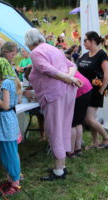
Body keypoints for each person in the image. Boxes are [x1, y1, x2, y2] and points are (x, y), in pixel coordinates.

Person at [25, 28, 81, 181]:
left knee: (54, 130)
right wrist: (69, 78)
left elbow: (47, 69)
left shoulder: (36, 52)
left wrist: (67, 78)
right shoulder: (53, 48)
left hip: (54, 94)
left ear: (29, 42)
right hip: (67, 92)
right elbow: (72, 65)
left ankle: (58, 171)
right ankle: (61, 165)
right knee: (63, 127)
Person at [77, 31, 108, 149]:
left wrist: (101, 90)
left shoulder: (101, 54)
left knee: (88, 118)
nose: (83, 43)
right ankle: (95, 141)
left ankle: (107, 139)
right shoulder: (86, 55)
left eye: (85, 40)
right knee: (90, 118)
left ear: (92, 41)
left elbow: (107, 73)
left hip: (95, 91)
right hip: (85, 92)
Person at [0, 57, 22, 196]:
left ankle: (15, 182)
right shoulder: (13, 80)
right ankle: (12, 178)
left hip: (5, 120)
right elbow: (18, 100)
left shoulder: (5, 83)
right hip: (11, 118)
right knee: (11, 150)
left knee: (9, 153)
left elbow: (5, 105)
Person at [67, 71, 93, 158]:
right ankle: (78, 149)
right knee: (78, 122)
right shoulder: (67, 62)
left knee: (72, 123)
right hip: (87, 88)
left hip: (79, 90)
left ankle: (71, 151)